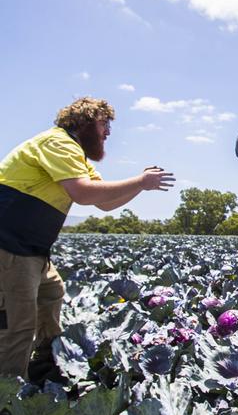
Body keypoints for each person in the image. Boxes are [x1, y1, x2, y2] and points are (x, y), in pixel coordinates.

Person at [0, 97, 175, 381]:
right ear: (86, 121)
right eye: (104, 124)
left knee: (51, 294)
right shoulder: (58, 143)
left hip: (32, 252)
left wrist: (141, 187)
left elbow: (104, 202)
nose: (107, 133)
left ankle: (42, 367)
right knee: (15, 327)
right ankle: (5, 408)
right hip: (9, 247)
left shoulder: (75, 155)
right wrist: (140, 181)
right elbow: (83, 193)